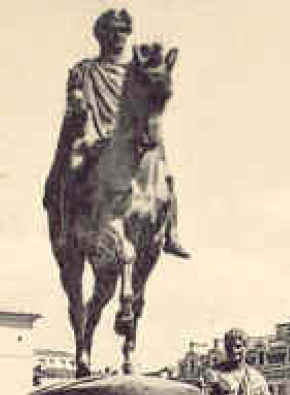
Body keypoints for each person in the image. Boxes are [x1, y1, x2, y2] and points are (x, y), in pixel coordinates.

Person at [43, 8, 190, 258]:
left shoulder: (136, 70)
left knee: (164, 174)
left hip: (130, 137)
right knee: (72, 166)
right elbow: (75, 99)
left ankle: (170, 232)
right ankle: (66, 227)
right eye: (112, 32)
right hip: (93, 137)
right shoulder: (84, 69)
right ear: (101, 36)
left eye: (123, 31)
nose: (118, 37)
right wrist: (78, 104)